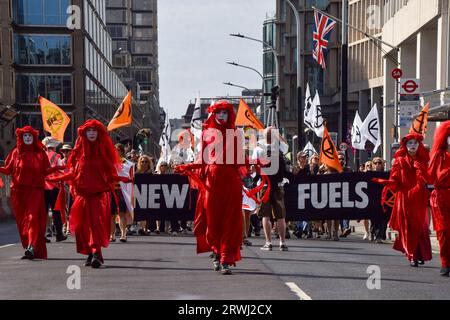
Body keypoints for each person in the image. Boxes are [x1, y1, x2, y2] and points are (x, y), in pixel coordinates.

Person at [48, 120, 130, 268]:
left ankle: (97, 253)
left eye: (94, 130)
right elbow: (73, 173)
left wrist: (122, 178)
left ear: (98, 133)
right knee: (81, 227)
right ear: (84, 133)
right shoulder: (78, 153)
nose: (92, 133)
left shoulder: (103, 152)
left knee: (96, 226)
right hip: (82, 196)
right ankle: (90, 252)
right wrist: (57, 177)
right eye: (89, 131)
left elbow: (110, 174)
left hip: (98, 196)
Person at [176, 100, 243, 275]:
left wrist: (254, 164)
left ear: (229, 115)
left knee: (230, 219)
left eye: (225, 112)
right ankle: (215, 250)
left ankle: (225, 258)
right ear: (213, 114)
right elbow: (202, 159)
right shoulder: (207, 134)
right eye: (218, 112)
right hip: (212, 181)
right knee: (212, 219)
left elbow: (240, 160)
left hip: (231, 181)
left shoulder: (236, 133)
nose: (222, 115)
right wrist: (188, 167)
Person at [0, 127, 62, 259]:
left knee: (33, 218)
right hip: (19, 193)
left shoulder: (40, 153)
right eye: (25, 135)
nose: (27, 137)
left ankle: (32, 246)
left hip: (35, 191)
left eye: (30, 135)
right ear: (21, 138)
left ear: (34, 138)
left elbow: (46, 171)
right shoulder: (16, 153)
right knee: (23, 221)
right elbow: (7, 170)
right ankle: (29, 245)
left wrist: (59, 167)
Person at [373, 133, 432, 267]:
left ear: (419, 145)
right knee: (408, 227)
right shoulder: (399, 161)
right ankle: (411, 255)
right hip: (405, 197)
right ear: (405, 146)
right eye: (410, 143)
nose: (412, 146)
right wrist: (385, 182)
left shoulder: (422, 160)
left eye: (415, 143)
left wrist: (420, 170)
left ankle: (420, 253)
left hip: (419, 197)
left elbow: (428, 178)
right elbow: (395, 179)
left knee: (421, 227)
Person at [252, 126, 289, 252]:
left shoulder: (258, 149)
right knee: (280, 216)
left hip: (265, 186)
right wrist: (277, 135)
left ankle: (268, 242)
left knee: (265, 215)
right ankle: (282, 242)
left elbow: (253, 167)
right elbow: (285, 143)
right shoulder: (279, 147)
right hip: (278, 185)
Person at [428, 121, 450, 276]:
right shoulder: (439, 156)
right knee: (443, 232)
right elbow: (432, 177)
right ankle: (445, 262)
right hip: (441, 199)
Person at [42, 137, 67, 242]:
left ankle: (42, 235)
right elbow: (61, 168)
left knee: (43, 212)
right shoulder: (56, 156)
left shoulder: (41, 155)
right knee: (56, 211)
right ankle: (59, 234)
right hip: (54, 185)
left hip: (42, 186)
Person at [136, 155, 153, 236]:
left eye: (146, 162)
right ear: (140, 162)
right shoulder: (136, 173)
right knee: (140, 211)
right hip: (138, 194)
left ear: (149, 163)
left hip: (149, 194)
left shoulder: (151, 173)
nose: (144, 163)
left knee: (147, 212)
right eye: (142, 161)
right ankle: (141, 228)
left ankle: (146, 229)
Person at [338, 152, 352, 238]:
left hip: (346, 194)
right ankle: (343, 229)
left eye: (342, 159)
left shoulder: (348, 170)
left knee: (346, 212)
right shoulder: (333, 169)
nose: (341, 161)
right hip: (336, 194)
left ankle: (345, 227)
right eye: (339, 159)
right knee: (340, 213)